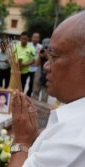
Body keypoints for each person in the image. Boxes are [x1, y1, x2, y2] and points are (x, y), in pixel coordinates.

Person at [9, 11, 85, 167]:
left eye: (55, 56)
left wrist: (22, 140)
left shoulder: (75, 139)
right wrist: (37, 136)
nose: (46, 66)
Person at [15, 32, 36, 96]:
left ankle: (20, 101)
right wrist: (15, 63)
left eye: (25, 39)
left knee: (21, 88)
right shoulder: (15, 46)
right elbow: (10, 56)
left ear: (28, 39)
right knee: (13, 87)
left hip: (24, 72)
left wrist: (25, 65)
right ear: (20, 38)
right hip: (15, 71)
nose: (23, 40)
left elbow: (33, 60)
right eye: (22, 38)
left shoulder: (31, 48)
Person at [29, 32, 42, 97]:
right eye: (34, 37)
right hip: (26, 67)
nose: (35, 39)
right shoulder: (28, 45)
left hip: (35, 69)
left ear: (39, 39)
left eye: (37, 37)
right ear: (31, 38)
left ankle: (28, 96)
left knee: (32, 84)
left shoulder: (40, 47)